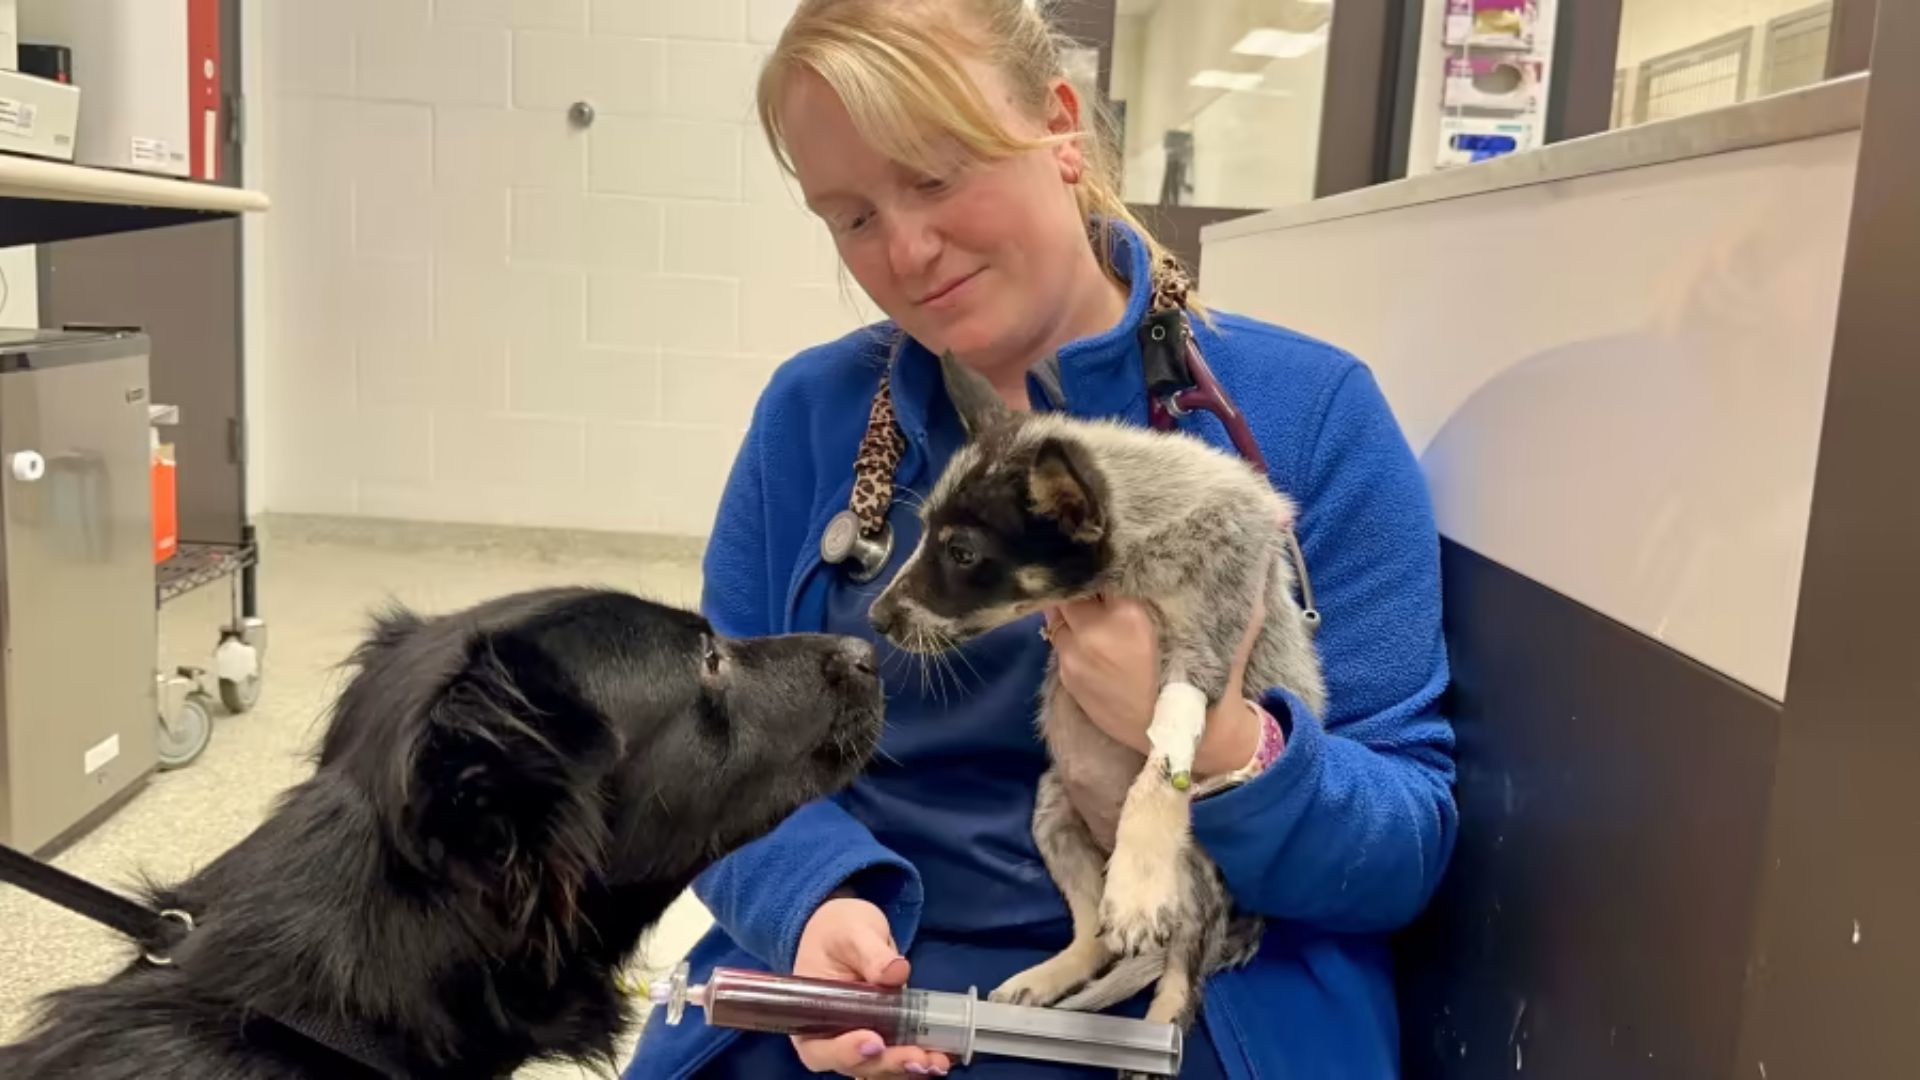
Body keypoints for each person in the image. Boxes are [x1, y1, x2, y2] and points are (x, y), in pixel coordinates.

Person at [620, 1, 1458, 1077]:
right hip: (859, 1000)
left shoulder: (1308, 418)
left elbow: (1402, 847)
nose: (908, 251)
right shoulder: (812, 420)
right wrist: (816, 907)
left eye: (935, 175)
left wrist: (1216, 749)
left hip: (1194, 1008)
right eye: (852, 217)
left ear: (1060, 127)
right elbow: (702, 762)